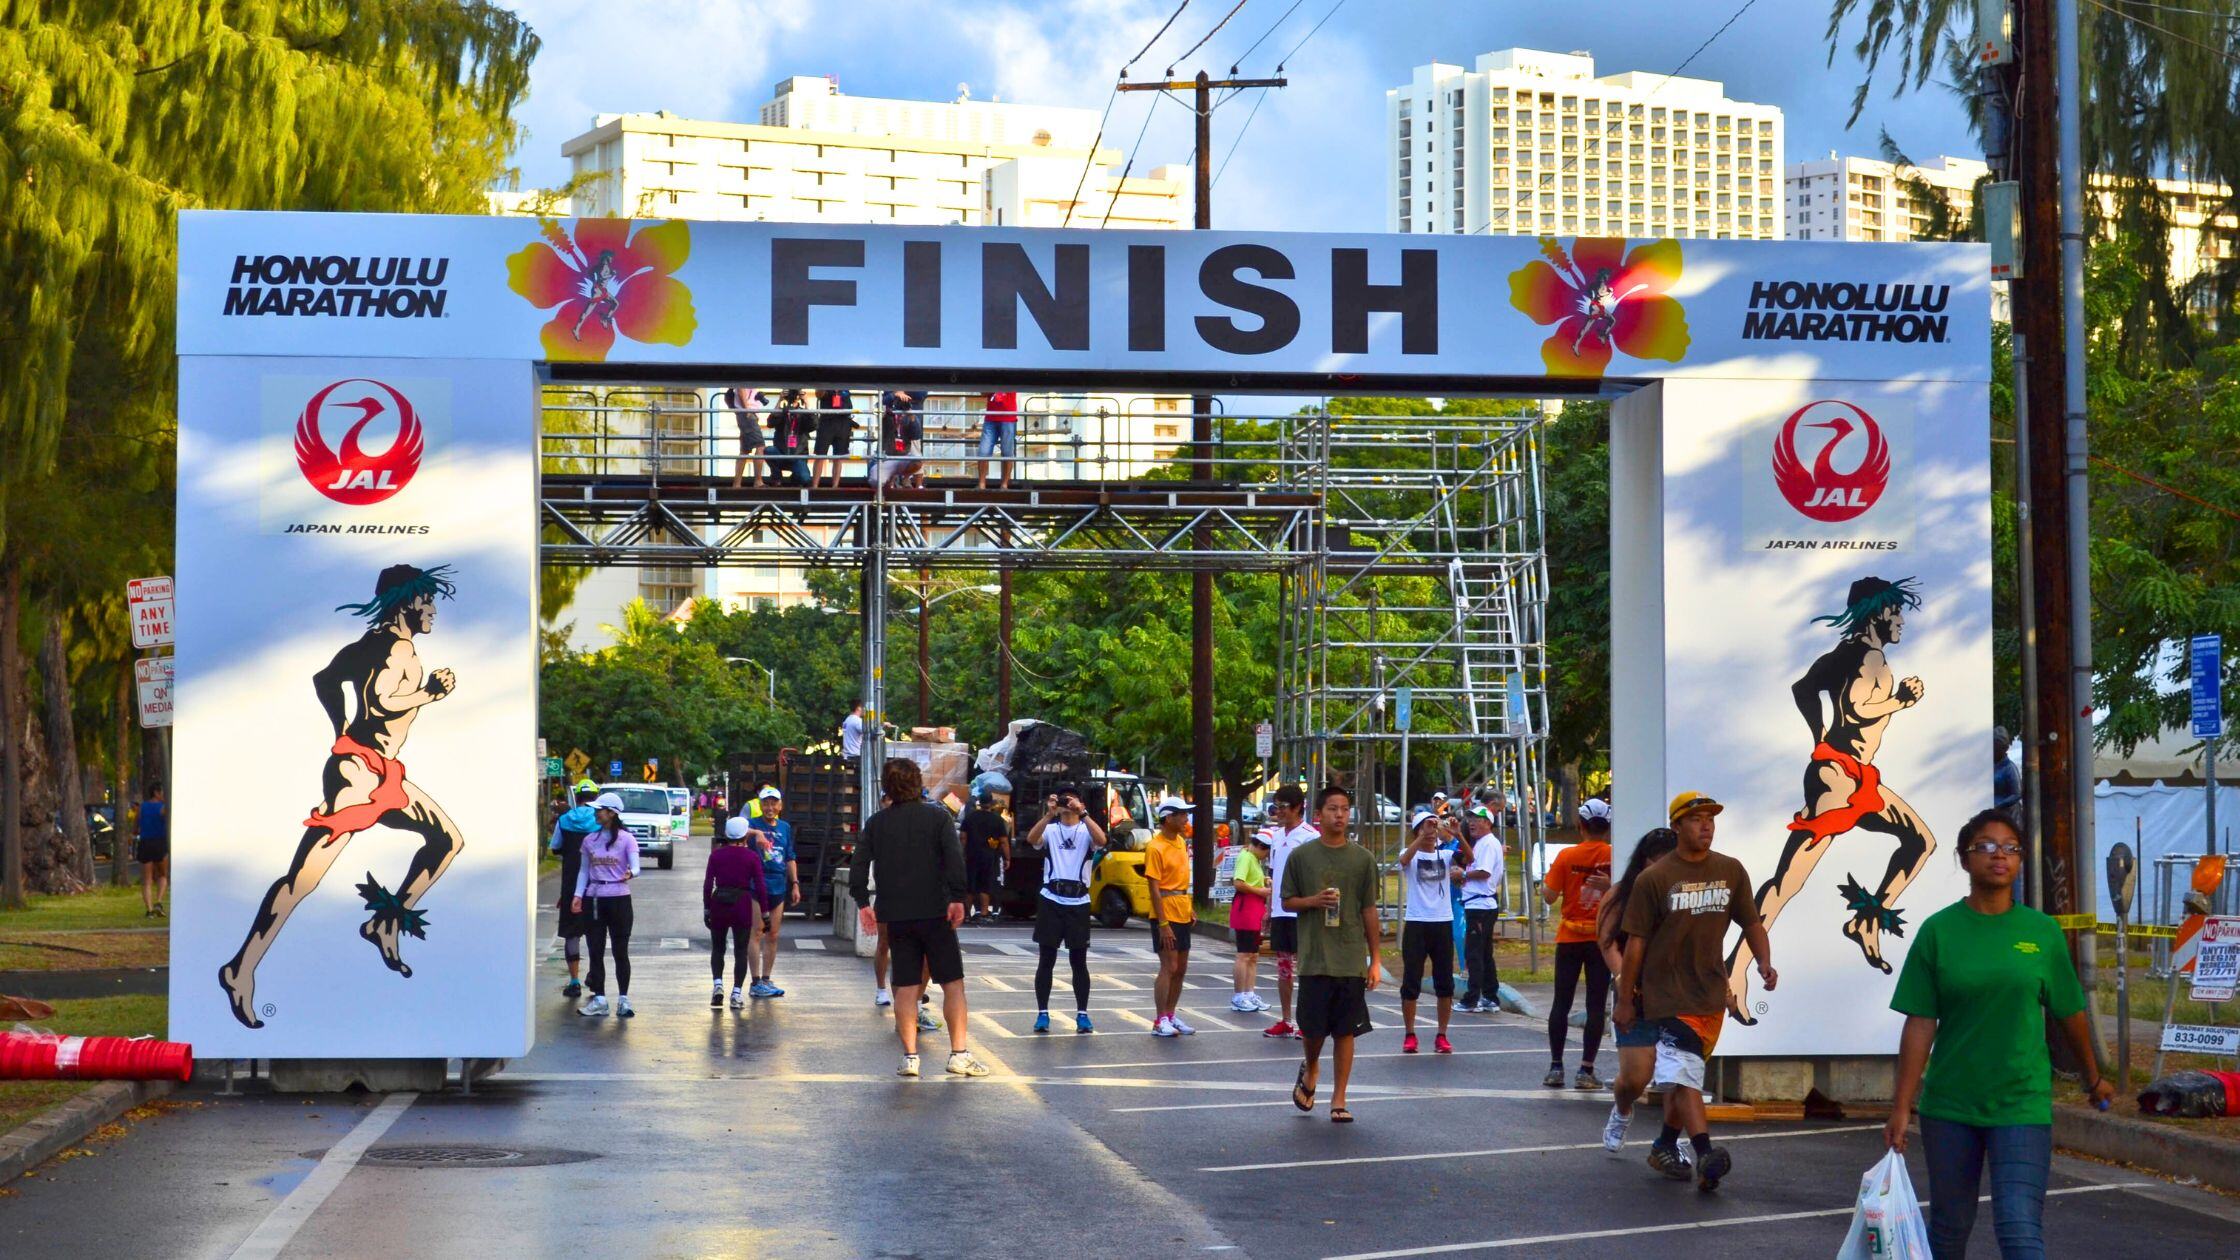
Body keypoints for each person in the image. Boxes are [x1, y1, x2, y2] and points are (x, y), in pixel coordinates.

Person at [218, 564, 468, 1029]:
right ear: (408, 602)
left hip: (376, 770)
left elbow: (323, 679)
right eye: (427, 601)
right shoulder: (399, 648)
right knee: (301, 881)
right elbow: (381, 701)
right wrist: (430, 693)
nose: (433, 610)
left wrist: (340, 730)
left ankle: (386, 922)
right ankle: (241, 968)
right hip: (359, 777)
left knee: (445, 839)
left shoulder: (367, 645)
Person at [1887, 807, 2112, 1259]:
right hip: (1950, 1106)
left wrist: (2094, 1077)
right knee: (1949, 1230)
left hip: (2021, 1103)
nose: (1999, 856)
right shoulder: (1938, 932)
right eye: (1985, 847)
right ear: (1964, 858)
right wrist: (1901, 1106)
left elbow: (2070, 1013)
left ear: (2020, 860)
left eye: (2010, 848)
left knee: (2018, 1227)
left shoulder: (2042, 932)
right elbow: (1920, 1023)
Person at [1728, 576, 1936, 1020]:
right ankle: (1736, 970)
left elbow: (1803, 689)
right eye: (1895, 612)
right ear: (1877, 614)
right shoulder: (1871, 656)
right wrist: (1901, 700)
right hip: (1839, 781)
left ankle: (1866, 920)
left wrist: (1819, 734)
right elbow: (1859, 708)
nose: (1901, 621)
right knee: (1788, 881)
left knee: (1920, 840)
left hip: (1853, 776)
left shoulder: (1840, 655)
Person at [1616, 792, 1775, 1191]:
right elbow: (1634, 943)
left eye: (1710, 819)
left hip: (1709, 993)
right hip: (1666, 994)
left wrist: (1763, 962)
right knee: (1685, 1075)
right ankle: (1705, 1152)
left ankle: (1665, 1144)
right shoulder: (1653, 879)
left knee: (1686, 1073)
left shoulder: (1730, 871)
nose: (1706, 825)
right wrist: (1624, 1000)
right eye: (1696, 818)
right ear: (1676, 826)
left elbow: (1751, 922)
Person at [847, 757, 990, 1078]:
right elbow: (955, 860)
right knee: (953, 984)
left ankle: (910, 1056)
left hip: (896, 914)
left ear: (887, 787)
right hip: (935, 912)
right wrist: (957, 898)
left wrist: (862, 902)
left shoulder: (876, 823)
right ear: (917, 783)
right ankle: (959, 1054)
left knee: (906, 986)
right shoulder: (937, 819)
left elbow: (858, 865)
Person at [1282, 785, 1382, 1123]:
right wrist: (1313, 901)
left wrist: (1375, 959)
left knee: (1345, 1031)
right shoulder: (1302, 856)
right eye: (1333, 809)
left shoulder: (1363, 860)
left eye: (1345, 809)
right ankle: (1311, 1068)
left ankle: (1339, 1098)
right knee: (1313, 1031)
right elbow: (1286, 901)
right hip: (1314, 957)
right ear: (1319, 814)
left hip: (1350, 958)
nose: (1340, 815)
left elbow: (1369, 910)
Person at [1596, 826, 1679, 1155]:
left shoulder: (1687, 893)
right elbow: (1606, 941)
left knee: (1679, 1077)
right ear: (1644, 862)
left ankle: (1670, 1144)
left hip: (1679, 994)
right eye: (1658, 862)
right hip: (1636, 993)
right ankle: (1622, 1109)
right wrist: (1622, 979)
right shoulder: (1620, 895)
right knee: (1636, 1077)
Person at [1541, 798, 1615, 1088]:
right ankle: (1586, 1070)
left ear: (1581, 826)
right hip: (1601, 940)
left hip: (1570, 937)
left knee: (1562, 1001)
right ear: (1607, 828)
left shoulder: (1566, 856)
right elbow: (1628, 891)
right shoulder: (1615, 856)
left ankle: (1556, 1067)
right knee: (1596, 1005)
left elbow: (1548, 896)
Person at [1024, 786, 1104, 1034]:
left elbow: (1101, 841)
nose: (1068, 805)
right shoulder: (1050, 829)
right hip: (1051, 899)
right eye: (1063, 800)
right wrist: (1048, 814)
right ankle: (1042, 1013)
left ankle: (1082, 1014)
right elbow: (1031, 840)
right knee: (1046, 959)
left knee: (1078, 961)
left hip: (1078, 902)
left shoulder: (1085, 830)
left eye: (1073, 800)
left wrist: (1084, 813)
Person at [1397, 810, 1469, 1055]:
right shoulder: (1411, 855)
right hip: (1417, 922)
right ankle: (1409, 1033)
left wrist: (1458, 834)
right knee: (1411, 980)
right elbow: (1405, 860)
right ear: (1417, 831)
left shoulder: (1447, 854)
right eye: (1424, 828)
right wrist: (1422, 837)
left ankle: (1442, 1034)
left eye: (1433, 827)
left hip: (1441, 921)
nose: (1430, 832)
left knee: (1444, 982)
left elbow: (1469, 858)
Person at [572, 792, 639, 1018]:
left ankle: (623, 999)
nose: (595, 813)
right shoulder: (589, 840)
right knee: (595, 949)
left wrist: (631, 873)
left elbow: (635, 866)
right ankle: (599, 998)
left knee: (620, 951)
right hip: (595, 897)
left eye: (599, 810)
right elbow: (583, 870)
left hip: (619, 897)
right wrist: (578, 894)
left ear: (611, 813)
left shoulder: (627, 839)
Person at [1258, 785, 1317, 1039]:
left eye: (1283, 807)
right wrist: (1268, 908)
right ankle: (1285, 1019)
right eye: (1276, 806)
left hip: (1302, 911)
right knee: (1283, 968)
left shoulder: (1310, 836)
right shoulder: (1276, 835)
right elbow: (1273, 874)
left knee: (1305, 969)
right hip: (1281, 911)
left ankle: (1307, 1021)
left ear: (1297, 808)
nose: (1278, 811)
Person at [1145, 797, 1197, 1037]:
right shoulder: (1155, 847)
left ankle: (1171, 1014)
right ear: (1169, 818)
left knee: (1182, 968)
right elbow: (1154, 888)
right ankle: (1159, 1020)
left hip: (1182, 908)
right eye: (1182, 814)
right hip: (1165, 911)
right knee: (1169, 966)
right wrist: (1163, 923)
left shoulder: (1180, 842)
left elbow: (1183, 881)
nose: (1186, 819)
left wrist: (1190, 908)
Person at [706, 817, 769, 1009]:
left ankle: (717, 985)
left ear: (726, 834)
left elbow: (708, 883)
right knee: (740, 950)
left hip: (719, 902)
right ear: (744, 836)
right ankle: (736, 993)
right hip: (741, 903)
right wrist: (765, 913)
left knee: (718, 948)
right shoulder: (752, 857)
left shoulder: (716, 856)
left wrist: (706, 907)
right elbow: (760, 886)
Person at [547, 785, 601, 996]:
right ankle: (595, 977)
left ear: (576, 797)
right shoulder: (599, 820)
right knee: (596, 933)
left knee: (572, 933)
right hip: (597, 884)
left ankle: (575, 981)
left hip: (571, 884)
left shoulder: (564, 819)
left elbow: (556, 847)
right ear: (596, 797)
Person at [747, 786, 799, 998]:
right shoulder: (753, 824)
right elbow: (734, 829)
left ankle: (767, 978)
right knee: (756, 932)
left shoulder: (785, 827)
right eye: (766, 803)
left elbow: (789, 856)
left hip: (779, 884)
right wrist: (757, 833)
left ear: (780, 806)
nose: (770, 807)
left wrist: (795, 882)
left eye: (773, 803)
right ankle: (755, 981)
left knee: (773, 935)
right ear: (760, 805)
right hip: (757, 884)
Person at [1456, 805, 1504, 1013]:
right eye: (1470, 818)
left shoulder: (1488, 844)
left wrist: (1463, 875)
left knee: (1474, 952)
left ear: (1489, 823)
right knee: (1484, 952)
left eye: (1478, 819)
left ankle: (1471, 999)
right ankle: (1490, 996)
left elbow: (1484, 872)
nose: (1472, 822)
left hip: (1480, 904)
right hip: (1481, 903)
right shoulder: (1483, 843)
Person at [1228, 832, 1272, 1013]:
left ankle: (1249, 993)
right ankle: (1239, 995)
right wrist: (1259, 891)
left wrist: (1264, 880)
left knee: (1253, 955)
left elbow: (1251, 879)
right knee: (1244, 954)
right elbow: (1238, 883)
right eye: (1266, 852)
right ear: (1261, 847)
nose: (1266, 856)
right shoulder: (1246, 857)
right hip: (1246, 907)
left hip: (1254, 909)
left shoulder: (1253, 859)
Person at [961, 791, 1010, 925]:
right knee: (985, 885)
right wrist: (1007, 858)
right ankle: (983, 914)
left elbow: (963, 837)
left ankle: (966, 915)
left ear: (979, 802)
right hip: (989, 856)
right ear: (991, 803)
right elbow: (1004, 841)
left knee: (970, 885)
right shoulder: (997, 819)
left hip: (971, 855)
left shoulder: (970, 817)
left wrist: (963, 853)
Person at [723, 385, 769, 488]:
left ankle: (737, 483)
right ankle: (758, 481)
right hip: (747, 414)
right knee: (760, 446)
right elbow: (741, 389)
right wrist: (747, 410)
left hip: (745, 414)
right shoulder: (746, 376)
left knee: (745, 450)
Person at [136, 782, 170, 918]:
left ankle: (149, 910)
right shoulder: (163, 808)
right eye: (162, 792)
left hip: (145, 842)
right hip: (159, 841)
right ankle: (159, 901)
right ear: (156, 792)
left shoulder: (142, 807)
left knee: (147, 879)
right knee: (162, 875)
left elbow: (136, 825)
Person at [767, 388, 813, 486]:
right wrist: (779, 400)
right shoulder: (782, 412)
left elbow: (814, 425)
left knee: (805, 478)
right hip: (782, 453)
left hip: (798, 455)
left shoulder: (804, 414)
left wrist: (806, 402)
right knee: (769, 451)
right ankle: (777, 477)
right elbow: (770, 423)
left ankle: (795, 478)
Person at [812, 387, 855, 488]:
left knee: (839, 457)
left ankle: (835, 486)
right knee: (820, 455)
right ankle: (814, 486)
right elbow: (819, 394)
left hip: (843, 422)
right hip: (827, 422)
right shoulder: (825, 385)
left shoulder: (845, 388)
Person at [978, 389, 1019, 489]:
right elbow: (983, 392)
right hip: (991, 418)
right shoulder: (990, 375)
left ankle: (1004, 484)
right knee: (983, 451)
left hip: (1008, 417)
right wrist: (993, 390)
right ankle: (981, 484)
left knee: (1007, 452)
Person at [1992, 726, 2021, 816]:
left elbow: (2017, 794)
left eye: (1997, 747)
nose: (1993, 750)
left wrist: (1998, 805)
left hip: (2007, 815)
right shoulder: (1989, 766)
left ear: (2004, 748)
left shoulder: (2009, 768)